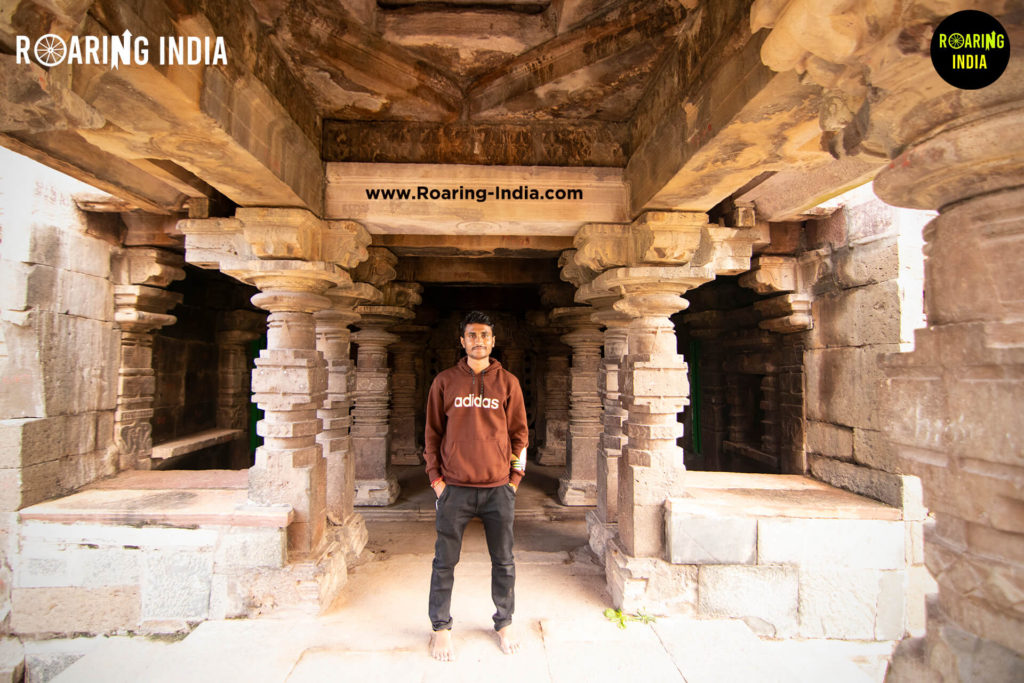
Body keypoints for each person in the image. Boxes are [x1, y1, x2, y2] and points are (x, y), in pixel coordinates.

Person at [424, 310, 528, 662]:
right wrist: (436, 480)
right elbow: (432, 434)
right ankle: (440, 628)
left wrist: (514, 480)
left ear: (493, 341)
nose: (478, 341)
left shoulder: (508, 382)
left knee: (504, 561)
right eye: (472, 335)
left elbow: (520, 436)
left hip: (499, 488)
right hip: (454, 487)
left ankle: (504, 622)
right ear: (462, 341)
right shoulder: (445, 381)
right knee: (444, 562)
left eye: (484, 335)